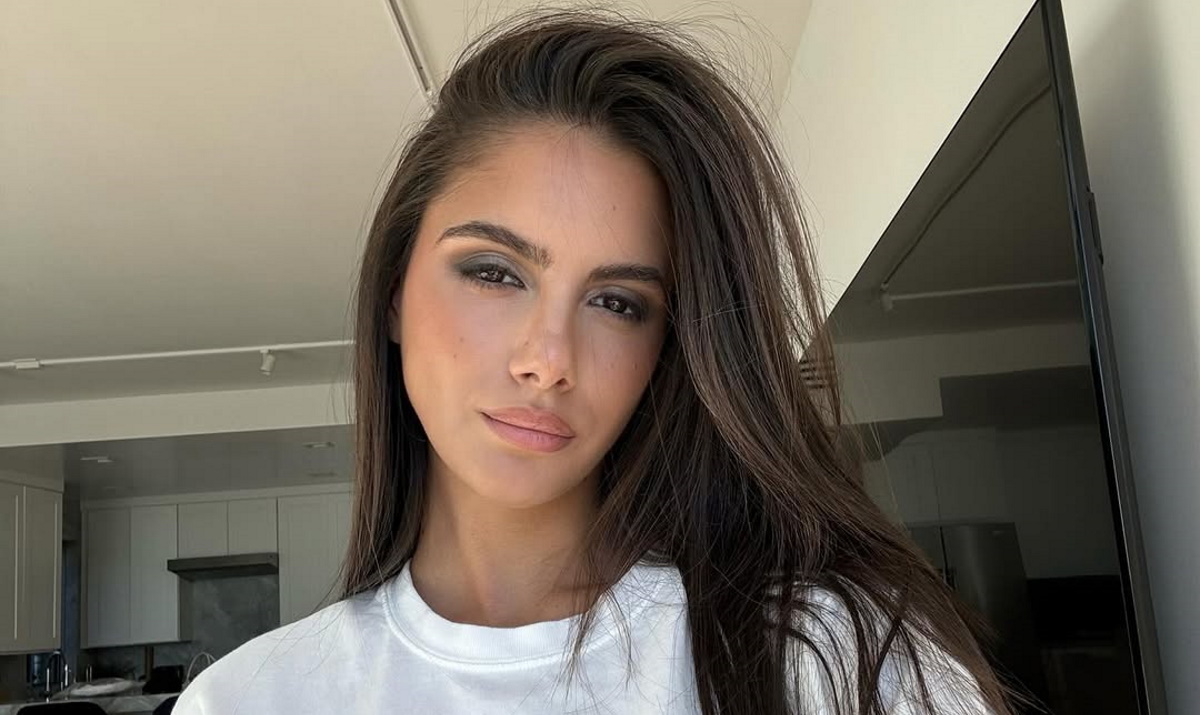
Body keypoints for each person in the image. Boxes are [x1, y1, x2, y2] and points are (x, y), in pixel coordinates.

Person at [175, 8, 1021, 715]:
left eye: (617, 302)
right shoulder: (247, 699)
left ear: (668, 345)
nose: (549, 360)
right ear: (394, 290)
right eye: (494, 272)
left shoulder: (836, 660)